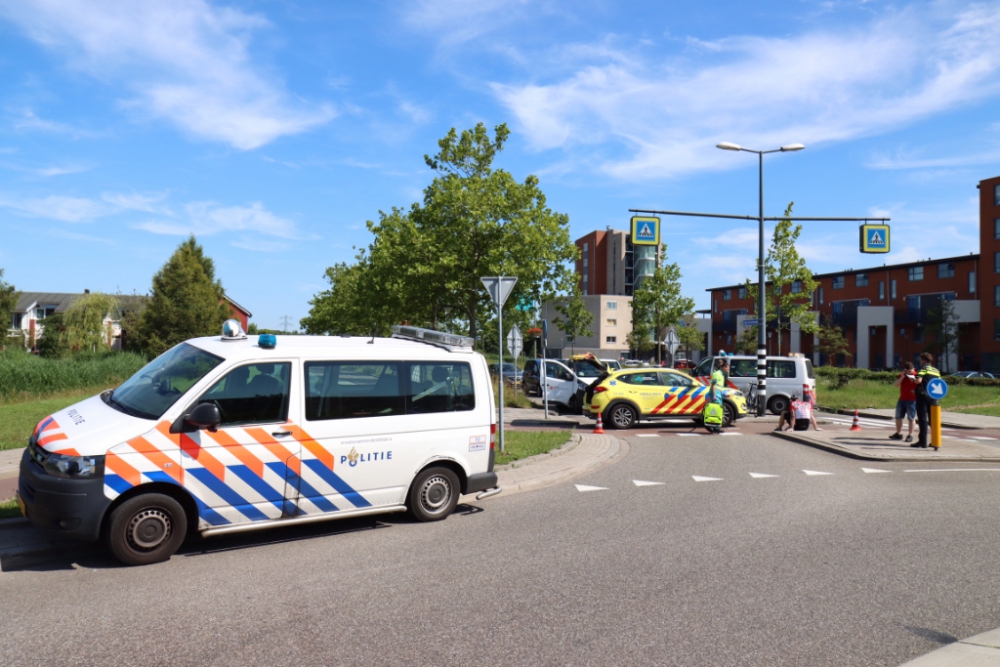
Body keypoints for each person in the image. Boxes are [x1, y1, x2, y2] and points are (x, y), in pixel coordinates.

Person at [913, 352, 941, 448]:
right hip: (933, 397)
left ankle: (923, 442)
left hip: (922, 396)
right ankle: (935, 441)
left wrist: (913, 379)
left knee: (923, 419)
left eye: (921, 360)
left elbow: (918, 380)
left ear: (924, 360)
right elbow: (939, 383)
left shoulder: (923, 368)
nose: (920, 361)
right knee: (933, 420)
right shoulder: (936, 370)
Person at [889, 361, 918, 443]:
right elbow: (896, 384)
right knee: (898, 417)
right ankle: (899, 433)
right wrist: (903, 376)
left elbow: (920, 385)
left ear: (913, 369)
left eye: (910, 371)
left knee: (911, 418)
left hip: (912, 400)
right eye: (907, 371)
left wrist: (915, 390)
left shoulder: (917, 375)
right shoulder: (902, 375)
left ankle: (910, 435)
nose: (909, 372)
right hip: (902, 399)